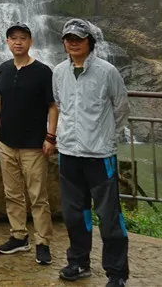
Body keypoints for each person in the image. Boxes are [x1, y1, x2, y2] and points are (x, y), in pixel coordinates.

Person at [53, 19, 130, 287]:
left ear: (90, 41)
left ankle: (116, 273)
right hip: (69, 153)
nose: (73, 42)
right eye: (69, 38)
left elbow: (121, 108)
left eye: (79, 38)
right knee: (75, 214)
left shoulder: (108, 72)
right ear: (63, 42)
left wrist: (107, 137)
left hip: (99, 155)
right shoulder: (59, 72)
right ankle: (78, 262)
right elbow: (61, 105)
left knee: (109, 216)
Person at [0, 22, 57, 266]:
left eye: (22, 38)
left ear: (31, 42)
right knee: (12, 194)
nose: (17, 42)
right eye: (13, 38)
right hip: (7, 143)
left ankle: (43, 242)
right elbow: (1, 102)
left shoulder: (43, 72)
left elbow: (53, 107)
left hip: (33, 144)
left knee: (38, 196)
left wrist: (50, 137)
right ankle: (19, 236)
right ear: (8, 43)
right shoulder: (4, 69)